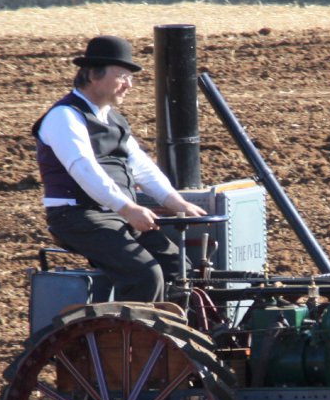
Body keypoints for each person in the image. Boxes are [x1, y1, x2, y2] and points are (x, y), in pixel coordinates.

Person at [33, 35, 206, 303]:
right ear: (93, 75)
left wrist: (177, 202)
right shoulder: (64, 116)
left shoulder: (114, 119)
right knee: (144, 275)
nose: (129, 84)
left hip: (115, 214)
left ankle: (176, 328)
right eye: (122, 76)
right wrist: (128, 208)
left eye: (130, 77)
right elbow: (84, 169)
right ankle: (134, 329)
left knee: (177, 267)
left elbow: (141, 167)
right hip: (79, 216)